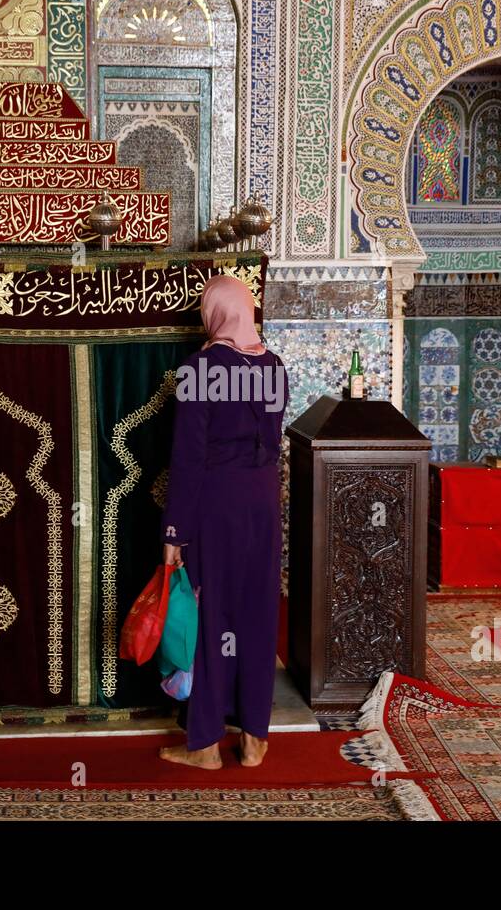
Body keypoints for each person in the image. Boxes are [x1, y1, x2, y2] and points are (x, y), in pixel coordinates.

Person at [157, 274, 288, 769]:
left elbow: (188, 459)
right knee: (257, 617)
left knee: (211, 618)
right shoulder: (274, 367)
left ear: (214, 314)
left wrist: (175, 532)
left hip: (217, 505)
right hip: (263, 502)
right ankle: (255, 739)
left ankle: (207, 744)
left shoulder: (198, 369)